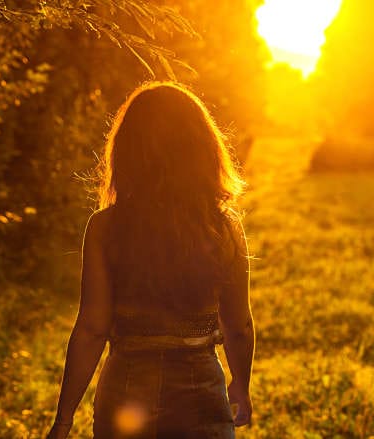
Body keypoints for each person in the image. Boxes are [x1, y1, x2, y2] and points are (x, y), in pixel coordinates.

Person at [47, 82, 254, 439]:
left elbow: (92, 328)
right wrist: (241, 386)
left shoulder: (105, 228)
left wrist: (63, 421)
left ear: (128, 151)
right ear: (202, 150)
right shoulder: (222, 229)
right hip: (201, 393)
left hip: (126, 391)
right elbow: (239, 326)